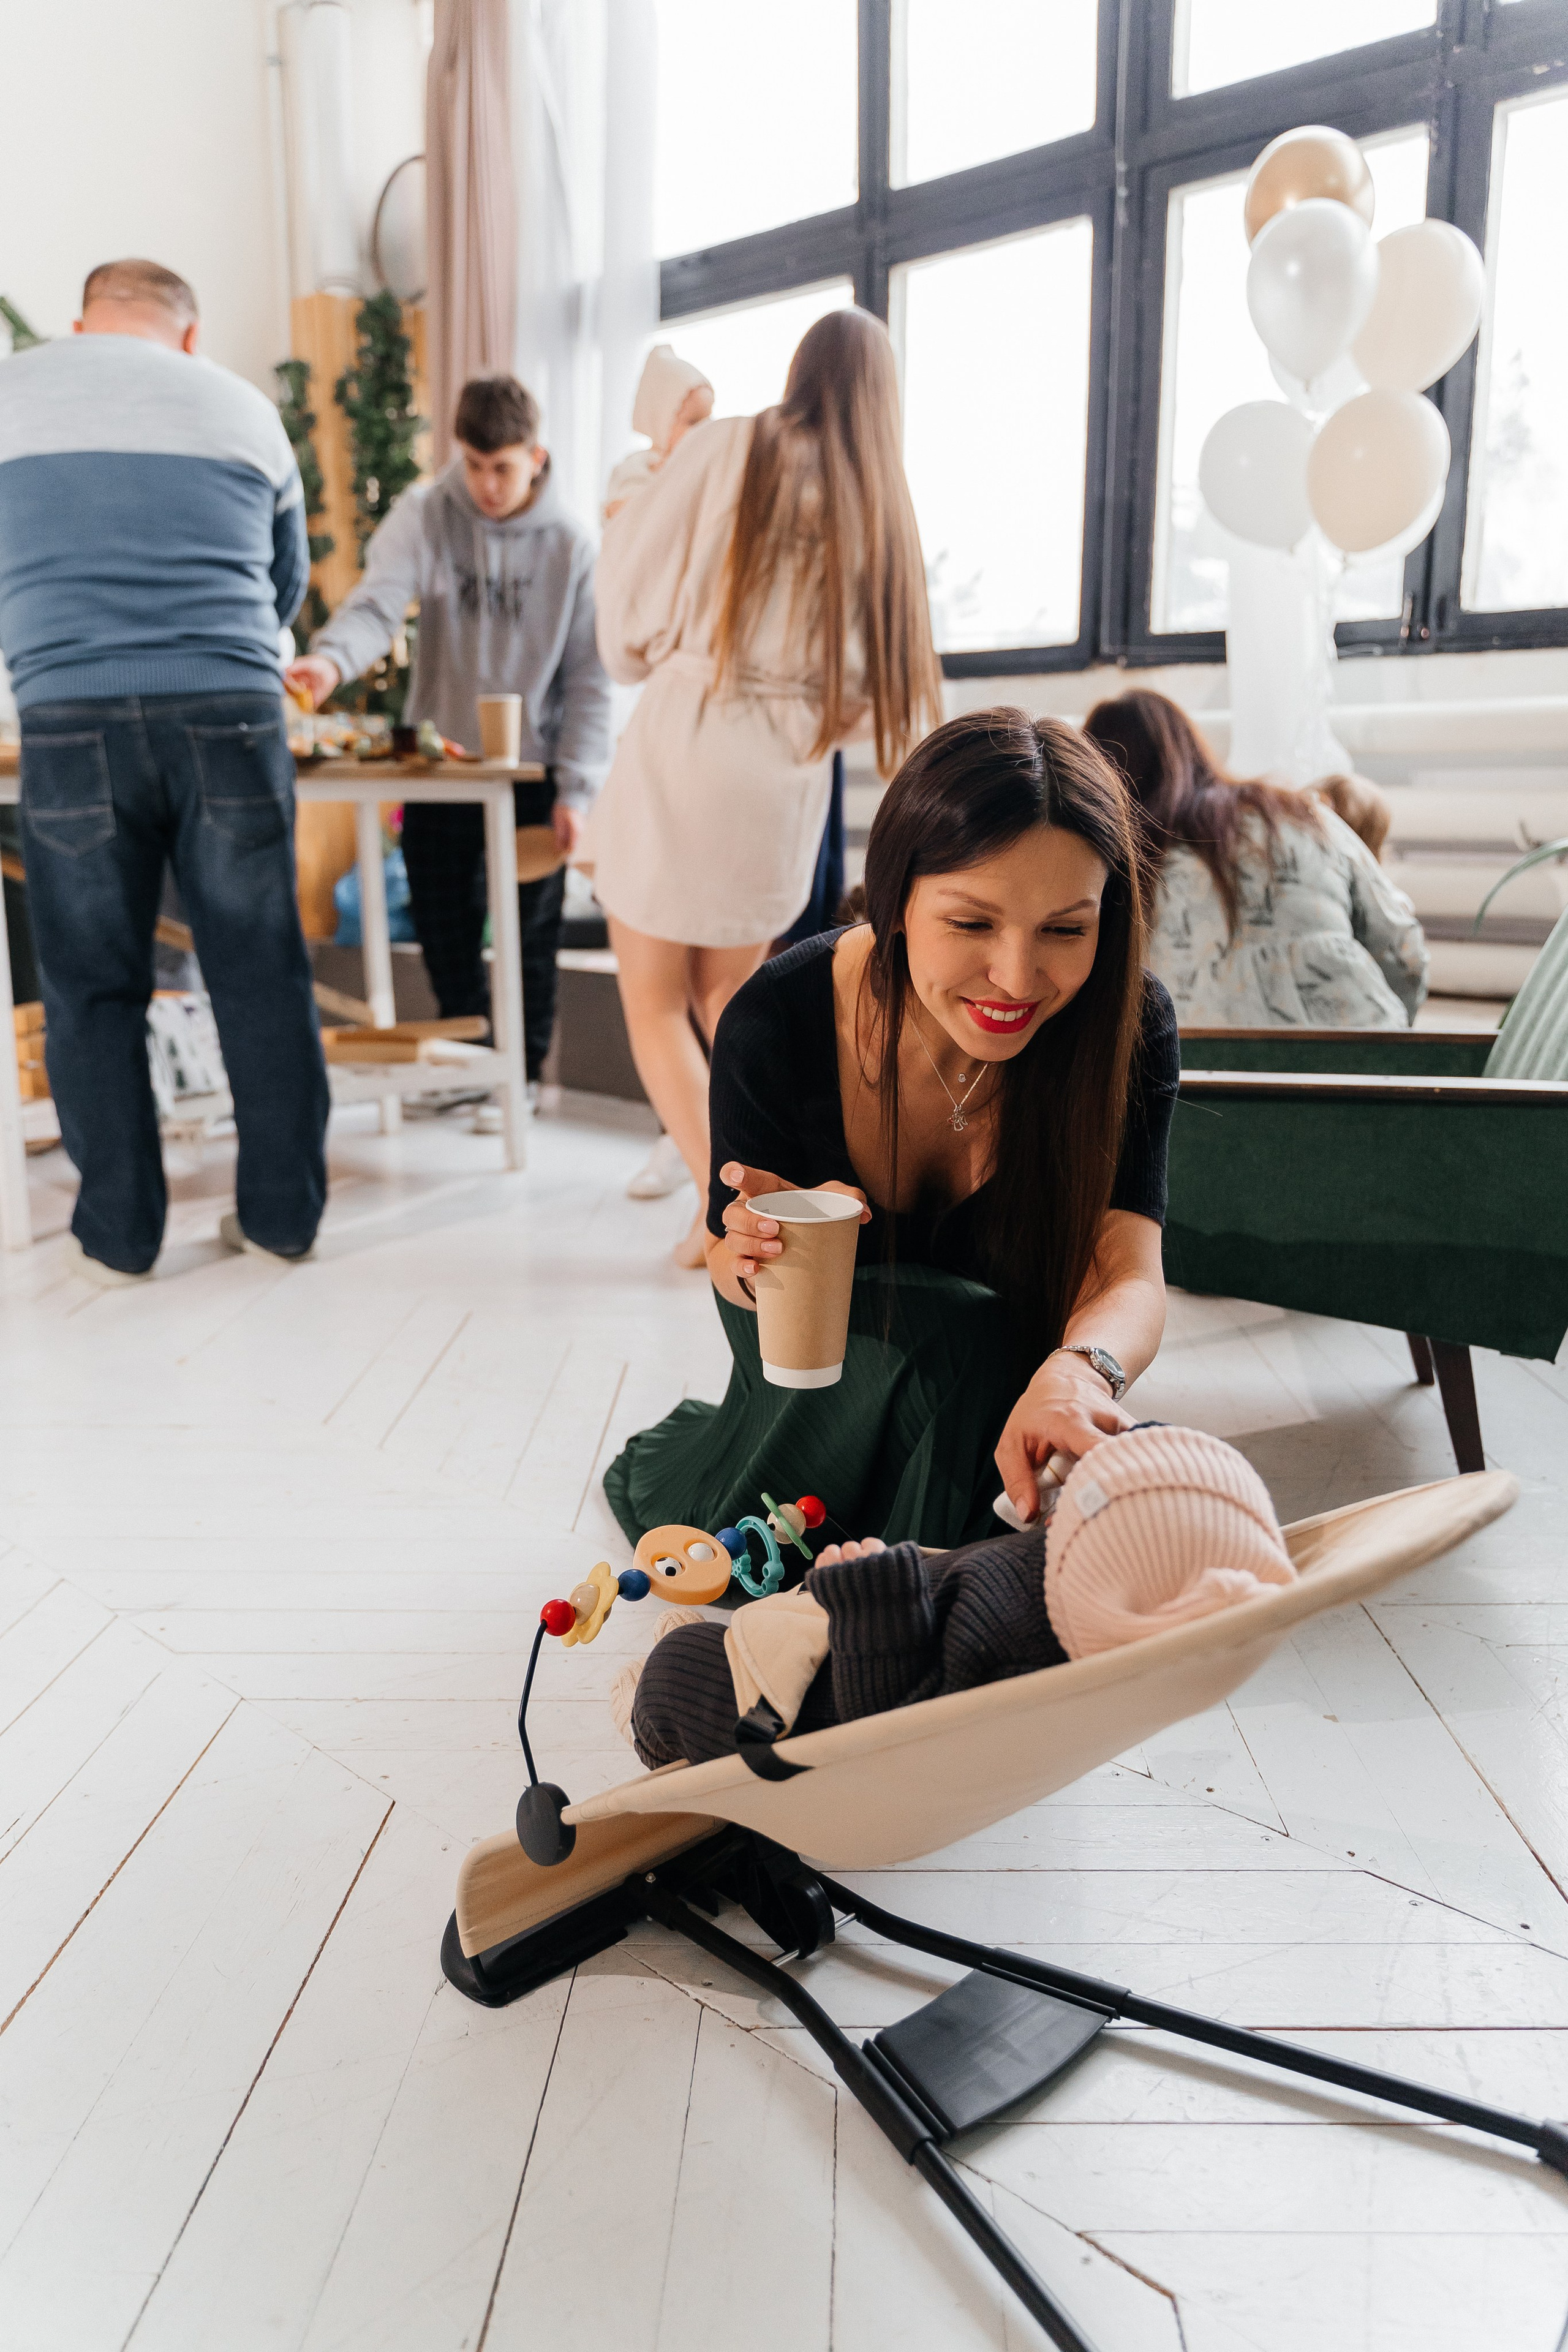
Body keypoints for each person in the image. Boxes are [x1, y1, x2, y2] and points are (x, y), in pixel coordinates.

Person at [602, 708, 1180, 1554]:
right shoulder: (776, 1019)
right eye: (972, 923)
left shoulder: (1124, 1025)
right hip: (820, 1379)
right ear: (898, 898)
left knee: (1126, 1476)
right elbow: (732, 1267)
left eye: (1065, 930)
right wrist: (762, 1254)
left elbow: (1133, 1276)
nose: (1018, 978)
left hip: (1003, 1391)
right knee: (959, 1343)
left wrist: (1077, 1370)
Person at [591, 307, 943, 1264]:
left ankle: (730, 1215)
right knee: (729, 999)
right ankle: (767, 1194)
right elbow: (883, 691)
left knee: (656, 999)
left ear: (799, 371)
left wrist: (650, 653)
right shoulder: (881, 496)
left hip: (690, 735)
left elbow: (627, 602)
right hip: (784, 770)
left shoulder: (728, 448)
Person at [0, 257, 328, 1281]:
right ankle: (280, 1221)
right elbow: (287, 582)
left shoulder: (13, 392)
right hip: (229, 709)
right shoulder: (241, 408)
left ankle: (121, 1233)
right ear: (187, 334)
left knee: (92, 982)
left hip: (67, 716)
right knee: (259, 967)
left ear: (81, 325)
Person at [287, 375, 611, 1107]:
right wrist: (331, 660)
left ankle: (522, 1077)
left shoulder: (572, 545)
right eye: (474, 465)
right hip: (439, 764)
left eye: (503, 467)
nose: (488, 485)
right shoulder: (427, 513)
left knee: (528, 935)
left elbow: (592, 679)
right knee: (443, 925)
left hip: (533, 772)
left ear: (537, 456)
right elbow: (377, 602)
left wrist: (580, 790)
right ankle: (469, 1068)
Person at [621, 1424, 1295, 1768]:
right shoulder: (1072, 1599)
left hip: (799, 1706)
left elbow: (885, 1727)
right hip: (833, 1628)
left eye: (1083, 1497)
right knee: (738, 1627)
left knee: (681, 1664)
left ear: (1105, 1559)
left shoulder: (1014, 1634)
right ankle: (698, 1645)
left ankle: (643, 1711)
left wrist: (873, 1598)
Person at [1082, 690, 1426, 1028]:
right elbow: (1402, 948)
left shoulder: (1105, 871)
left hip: (1199, 1075)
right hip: (1363, 1057)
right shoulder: (1294, 816)